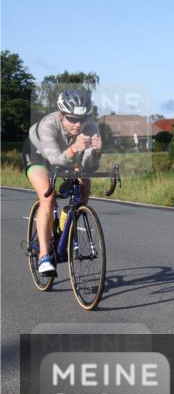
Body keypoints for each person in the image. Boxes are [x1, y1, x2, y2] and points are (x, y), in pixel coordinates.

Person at [22, 89, 103, 274]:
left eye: (82, 119)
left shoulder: (90, 128)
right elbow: (56, 160)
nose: (78, 124)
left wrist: (96, 153)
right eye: (72, 119)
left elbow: (89, 165)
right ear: (61, 115)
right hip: (38, 155)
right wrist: (74, 149)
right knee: (48, 198)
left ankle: (67, 215)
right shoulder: (48, 125)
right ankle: (44, 256)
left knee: (84, 185)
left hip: (66, 155)